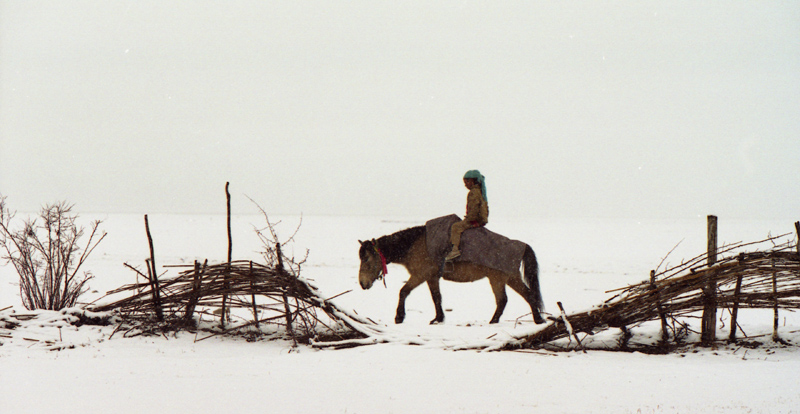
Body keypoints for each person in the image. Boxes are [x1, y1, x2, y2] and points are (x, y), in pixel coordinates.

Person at [446, 170, 489, 261]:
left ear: (474, 181)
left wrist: (471, 220)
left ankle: (455, 250)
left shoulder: (473, 192)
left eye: (467, 182)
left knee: (456, 227)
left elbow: (474, 209)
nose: (465, 184)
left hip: (475, 220)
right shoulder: (480, 192)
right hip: (480, 220)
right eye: (465, 182)